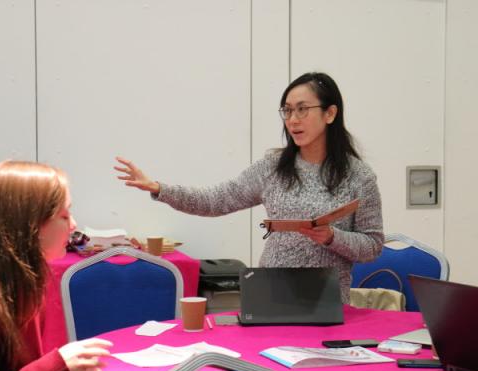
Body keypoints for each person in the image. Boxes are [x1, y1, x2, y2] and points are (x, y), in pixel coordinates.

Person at [114, 72, 384, 303]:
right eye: (287, 110)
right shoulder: (273, 167)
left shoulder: (358, 177)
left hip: (329, 300)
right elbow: (217, 200)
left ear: (330, 113)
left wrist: (331, 237)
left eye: (302, 109)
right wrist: (160, 188)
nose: (292, 119)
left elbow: (372, 245)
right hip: (272, 293)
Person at [0, 161, 112, 371]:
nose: (73, 224)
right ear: (29, 225)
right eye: (64, 216)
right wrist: (57, 365)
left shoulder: (25, 285)